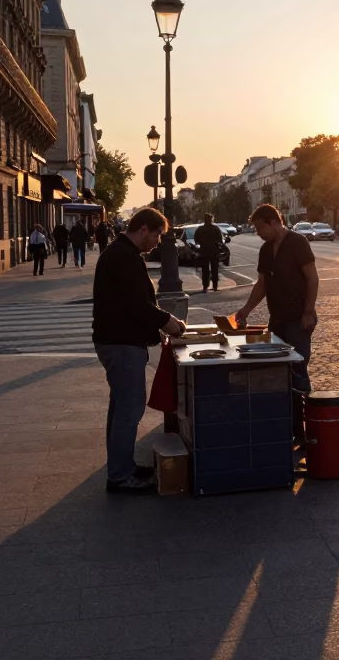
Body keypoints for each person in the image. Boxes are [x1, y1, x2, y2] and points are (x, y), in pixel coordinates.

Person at [93, 207, 186, 495]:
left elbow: (131, 304)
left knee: (120, 408)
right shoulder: (124, 257)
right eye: (157, 234)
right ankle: (120, 477)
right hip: (122, 344)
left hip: (117, 340)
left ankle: (122, 466)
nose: (158, 241)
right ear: (143, 228)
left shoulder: (122, 254)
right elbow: (137, 305)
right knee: (129, 410)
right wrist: (169, 322)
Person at [235, 203, 319, 444]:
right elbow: (261, 284)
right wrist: (246, 310)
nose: (259, 233)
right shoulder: (265, 250)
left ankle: (306, 432)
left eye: (260, 228)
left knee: (298, 371)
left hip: (298, 319)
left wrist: (308, 311)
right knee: (278, 374)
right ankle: (288, 427)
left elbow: (312, 279)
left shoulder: (297, 242)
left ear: (274, 222)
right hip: (278, 319)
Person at [194, 213, 224, 293]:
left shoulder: (200, 229)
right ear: (211, 219)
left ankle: (205, 286)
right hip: (214, 251)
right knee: (215, 269)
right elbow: (220, 239)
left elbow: (196, 239)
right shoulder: (215, 228)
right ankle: (215, 286)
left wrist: (202, 244)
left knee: (205, 270)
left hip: (204, 251)